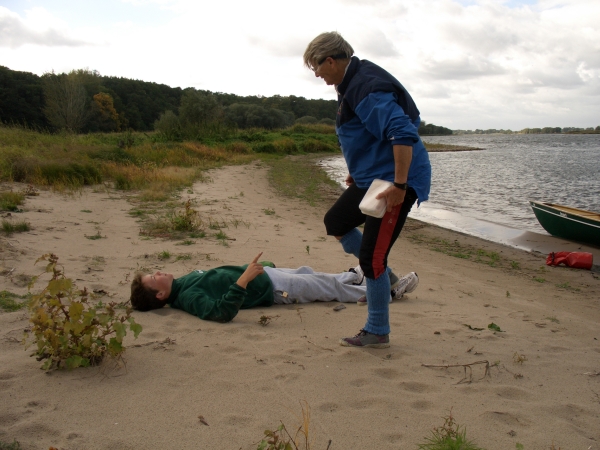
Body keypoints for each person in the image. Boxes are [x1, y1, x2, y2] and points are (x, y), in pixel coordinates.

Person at [303, 32, 432, 348]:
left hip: (394, 182)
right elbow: (365, 133)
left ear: (331, 60)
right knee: (336, 223)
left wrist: (400, 186)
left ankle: (377, 330)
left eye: (316, 67)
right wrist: (357, 170)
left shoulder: (364, 87)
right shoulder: (352, 82)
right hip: (372, 178)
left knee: (372, 256)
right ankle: (384, 279)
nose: (316, 74)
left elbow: (403, 132)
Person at [130, 252, 419, 323]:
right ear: (160, 294)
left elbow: (222, 278)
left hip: (266, 276)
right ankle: (385, 293)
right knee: (322, 287)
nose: (157, 272)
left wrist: (259, 267)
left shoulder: (183, 281)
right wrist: (244, 280)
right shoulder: (188, 297)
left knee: (311, 274)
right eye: (153, 278)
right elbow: (219, 312)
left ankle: (354, 277)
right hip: (269, 290)